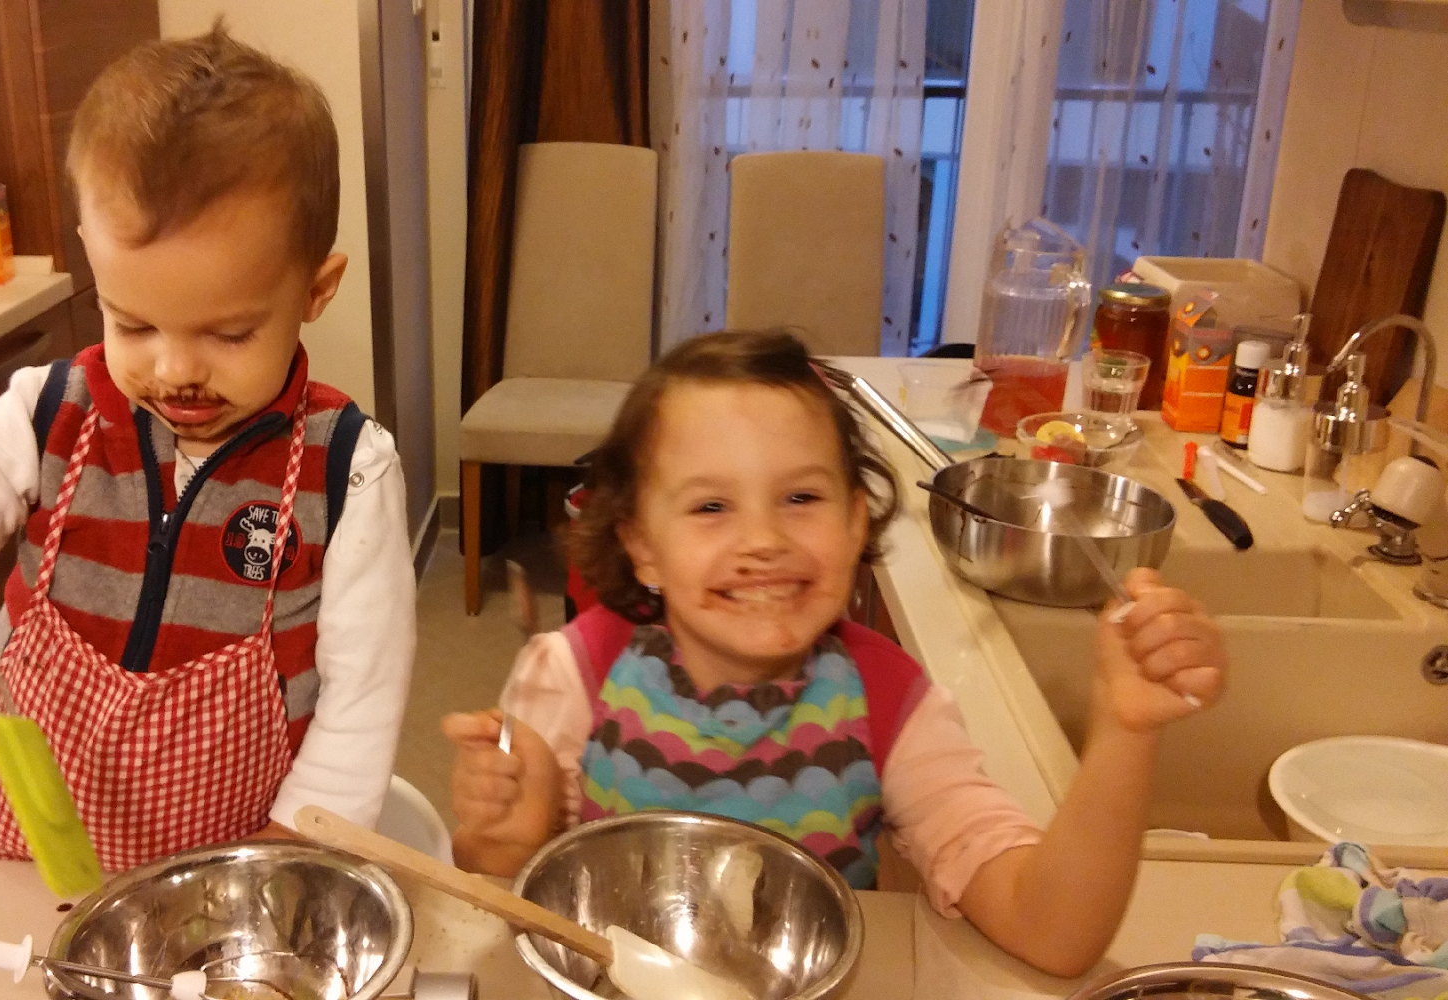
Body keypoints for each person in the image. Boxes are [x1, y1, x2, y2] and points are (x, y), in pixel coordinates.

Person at [0, 24, 416, 871]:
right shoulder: (46, 414)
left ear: (315, 290)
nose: (175, 371)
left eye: (229, 334)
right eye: (132, 324)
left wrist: (287, 861)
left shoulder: (347, 469)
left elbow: (362, 702)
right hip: (36, 866)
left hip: (235, 875)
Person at [444, 330, 1226, 977]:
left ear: (856, 523)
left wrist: (1124, 731)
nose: (763, 540)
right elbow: (498, 905)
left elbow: (1052, 934)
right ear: (642, 546)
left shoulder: (889, 705)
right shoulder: (571, 679)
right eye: (711, 506)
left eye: (801, 498)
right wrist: (505, 839)